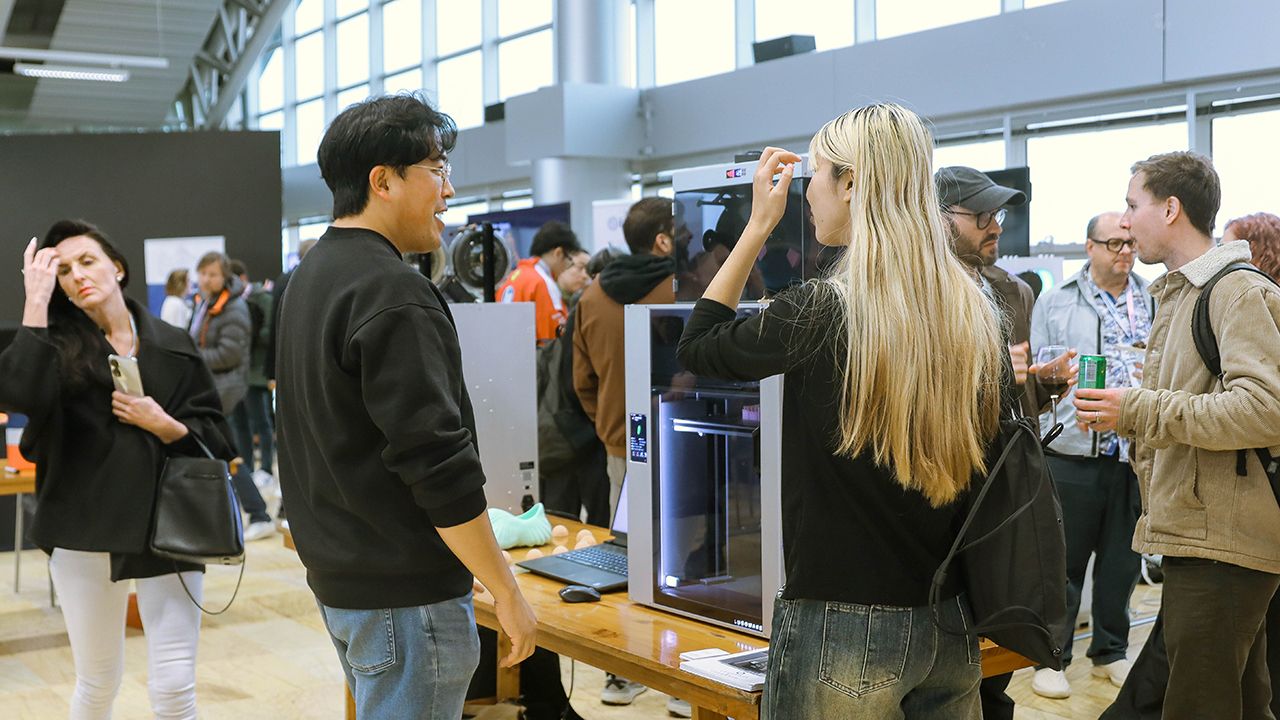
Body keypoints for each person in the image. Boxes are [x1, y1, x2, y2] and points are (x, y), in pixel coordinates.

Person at [678, 104, 1007, 718]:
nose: (807, 194)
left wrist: (758, 225)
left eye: (816, 175)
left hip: (842, 626)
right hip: (950, 622)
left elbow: (698, 345)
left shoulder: (819, 311)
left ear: (852, 182)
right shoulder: (974, 311)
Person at [274, 92, 536, 720]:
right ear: (383, 181)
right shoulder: (393, 291)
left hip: (347, 579)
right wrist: (505, 588)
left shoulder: (311, 277)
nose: (449, 191)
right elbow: (436, 462)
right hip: (403, 597)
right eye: (437, 169)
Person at [0, 219, 235, 719]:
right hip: (82, 527)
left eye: (87, 261)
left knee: (175, 686)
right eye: (64, 271)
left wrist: (165, 424)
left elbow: (216, 436)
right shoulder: (53, 346)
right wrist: (36, 301)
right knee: (97, 681)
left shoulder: (171, 342)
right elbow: (17, 394)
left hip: (168, 524)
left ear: (118, 268)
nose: (78, 275)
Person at [1077, 152, 1280, 720]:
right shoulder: (1185, 292)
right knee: (1244, 702)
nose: (1124, 222)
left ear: (1170, 209)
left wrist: (1137, 408)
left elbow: (1265, 408)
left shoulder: (1235, 291)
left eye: (1132, 205)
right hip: (1205, 533)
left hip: (1223, 538)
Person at [1027, 212, 1154, 699]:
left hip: (1133, 452)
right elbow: (1038, 377)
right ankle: (1052, 657)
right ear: (1090, 247)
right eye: (1115, 243)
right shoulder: (1056, 300)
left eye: (1130, 243)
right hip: (1074, 450)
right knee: (1064, 562)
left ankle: (1111, 652)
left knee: (1124, 560)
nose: (1126, 252)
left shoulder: (1152, 298)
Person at [935, 164, 1040, 720]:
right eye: (980, 216)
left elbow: (1011, 397)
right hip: (937, 500)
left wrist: (1039, 384)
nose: (994, 226)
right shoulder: (910, 293)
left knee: (995, 667)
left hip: (999, 497)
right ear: (937, 217)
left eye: (995, 215)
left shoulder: (1012, 292)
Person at [572, 197, 677, 710]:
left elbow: (582, 380)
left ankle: (620, 674)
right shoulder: (682, 287)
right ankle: (685, 686)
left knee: (628, 556)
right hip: (687, 439)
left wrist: (610, 426)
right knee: (689, 562)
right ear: (662, 240)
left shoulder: (592, 295)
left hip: (621, 445)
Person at [190, 251, 275, 541]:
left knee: (228, 455)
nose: (206, 279)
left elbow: (230, 353)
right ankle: (244, 514)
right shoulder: (207, 303)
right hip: (212, 389)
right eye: (202, 273)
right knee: (225, 455)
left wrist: (193, 356)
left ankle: (258, 513)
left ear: (224, 276)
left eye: (212, 274)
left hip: (225, 390)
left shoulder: (234, 307)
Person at [497, 220, 586, 345]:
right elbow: (553, 338)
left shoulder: (513, 277)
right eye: (570, 261)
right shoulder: (542, 282)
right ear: (558, 253)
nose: (567, 267)